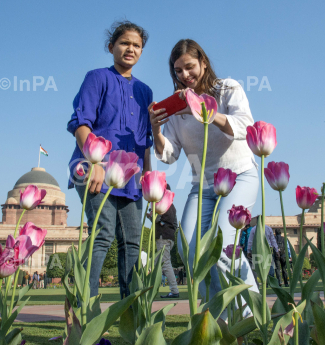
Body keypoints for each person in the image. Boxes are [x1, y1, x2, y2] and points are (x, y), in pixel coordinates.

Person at [149, 39, 260, 314]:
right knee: (190, 251)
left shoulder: (227, 89)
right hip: (203, 187)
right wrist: (156, 130)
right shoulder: (177, 109)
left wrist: (207, 113)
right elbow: (170, 155)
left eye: (190, 67)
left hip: (239, 176)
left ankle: (252, 314)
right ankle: (218, 317)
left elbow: (246, 126)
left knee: (224, 246)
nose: (185, 75)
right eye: (178, 71)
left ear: (203, 63)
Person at [67, 21, 152, 299]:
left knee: (131, 242)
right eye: (125, 43)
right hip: (93, 168)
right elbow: (81, 124)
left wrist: (150, 184)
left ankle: (131, 313)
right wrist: (96, 164)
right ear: (111, 46)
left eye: (137, 45)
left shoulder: (145, 92)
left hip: (131, 177)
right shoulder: (97, 78)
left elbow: (144, 142)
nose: (131, 49)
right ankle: (85, 310)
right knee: (102, 234)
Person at [147, 184, 180, 298]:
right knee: (157, 264)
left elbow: (156, 219)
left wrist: (150, 217)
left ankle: (174, 290)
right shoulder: (173, 207)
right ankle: (150, 288)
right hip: (169, 238)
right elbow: (175, 225)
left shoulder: (161, 204)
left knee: (165, 263)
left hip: (162, 237)